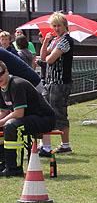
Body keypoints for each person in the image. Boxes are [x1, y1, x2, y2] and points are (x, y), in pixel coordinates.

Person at [0, 60, 57, 177]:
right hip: (28, 119)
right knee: (6, 125)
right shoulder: (1, 88)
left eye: (1, 73)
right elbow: (4, 111)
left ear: (7, 71)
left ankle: (14, 168)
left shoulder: (17, 84)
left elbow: (19, 113)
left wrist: (2, 121)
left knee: (11, 126)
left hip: (44, 118)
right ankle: (4, 163)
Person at [39, 12, 74, 157]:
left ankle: (65, 145)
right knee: (45, 111)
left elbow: (50, 59)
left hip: (60, 83)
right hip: (50, 82)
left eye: (59, 25)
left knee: (59, 113)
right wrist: (46, 42)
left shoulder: (66, 41)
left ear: (65, 25)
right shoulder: (55, 40)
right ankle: (45, 144)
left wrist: (48, 55)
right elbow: (43, 56)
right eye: (54, 26)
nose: (56, 28)